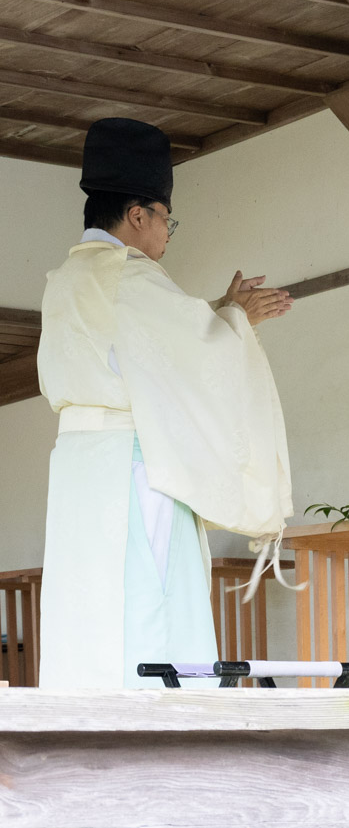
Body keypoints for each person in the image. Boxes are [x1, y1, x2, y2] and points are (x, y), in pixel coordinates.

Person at [37, 117, 294, 689]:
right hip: (134, 467)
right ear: (138, 216)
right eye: (165, 219)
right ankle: (161, 725)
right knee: (150, 597)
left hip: (79, 468)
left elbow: (142, 346)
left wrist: (217, 311)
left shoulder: (67, 277)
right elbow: (191, 356)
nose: (167, 233)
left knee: (88, 607)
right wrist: (237, 319)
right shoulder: (130, 275)